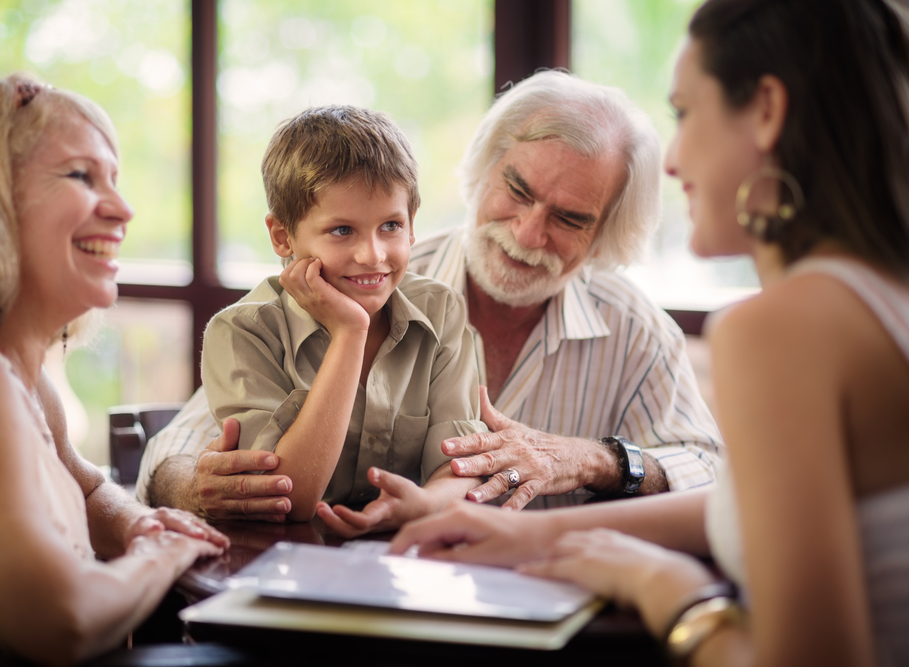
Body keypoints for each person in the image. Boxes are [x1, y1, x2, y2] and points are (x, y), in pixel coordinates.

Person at [392, 0, 909, 664]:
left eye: (685, 113)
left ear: (767, 112)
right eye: (518, 190)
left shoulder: (779, 328)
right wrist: (526, 535)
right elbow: (749, 505)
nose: (672, 160)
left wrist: (666, 585)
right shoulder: (879, 296)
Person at [136, 70, 723, 520]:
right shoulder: (355, 277)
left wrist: (593, 461)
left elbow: (713, 473)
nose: (526, 234)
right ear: (484, 169)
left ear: (606, 233)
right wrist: (199, 485)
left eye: (569, 218)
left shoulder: (634, 330)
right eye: (516, 191)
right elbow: (181, 451)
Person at [0, 73, 227, 663]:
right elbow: (59, 623)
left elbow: (84, 489)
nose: (123, 209)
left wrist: (139, 525)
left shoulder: (19, 373)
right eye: (81, 176)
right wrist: (158, 559)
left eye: (115, 179)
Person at [200, 105, 488, 534]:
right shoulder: (241, 333)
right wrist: (350, 331)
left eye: (391, 225)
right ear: (283, 236)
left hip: (409, 556)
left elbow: (460, 468)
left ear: (412, 226)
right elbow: (290, 496)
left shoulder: (441, 312)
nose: (372, 255)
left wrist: (423, 504)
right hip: (280, 563)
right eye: (342, 231)